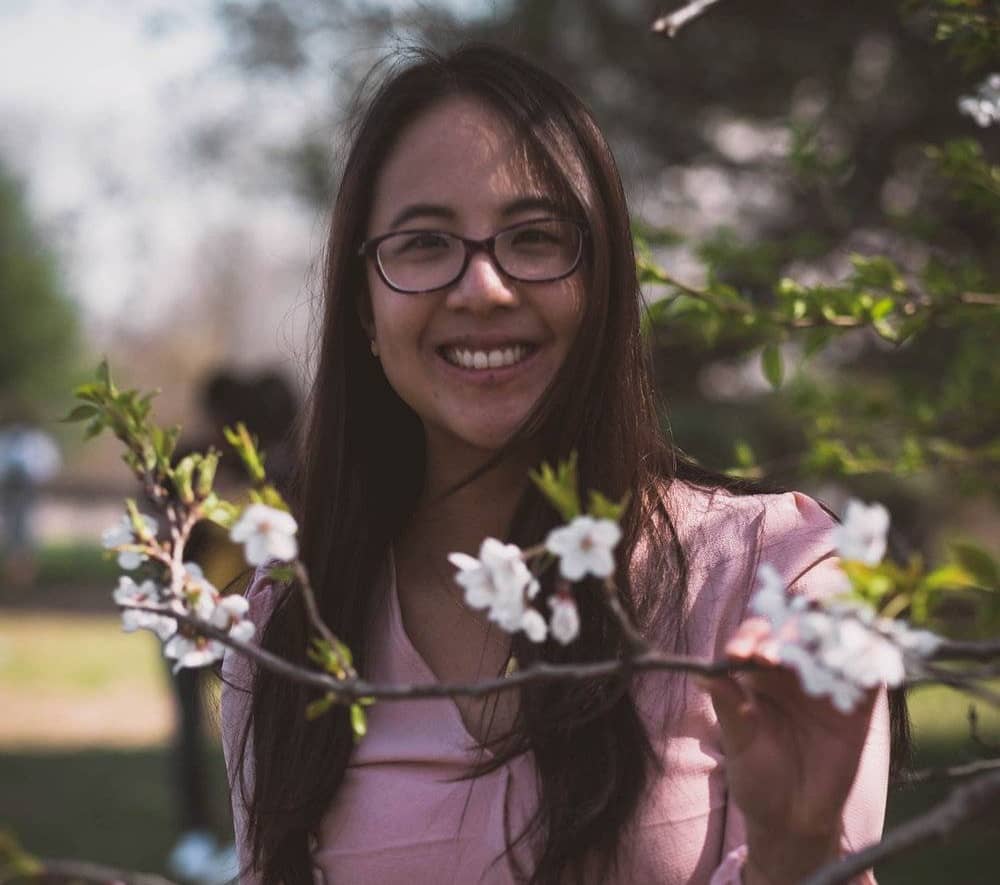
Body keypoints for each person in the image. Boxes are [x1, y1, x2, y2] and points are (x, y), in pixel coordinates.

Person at [221, 43, 903, 885]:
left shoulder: (773, 586)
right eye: (425, 242)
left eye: (536, 236)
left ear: (605, 281)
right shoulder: (286, 627)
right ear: (364, 304)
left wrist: (796, 856)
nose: (483, 286)